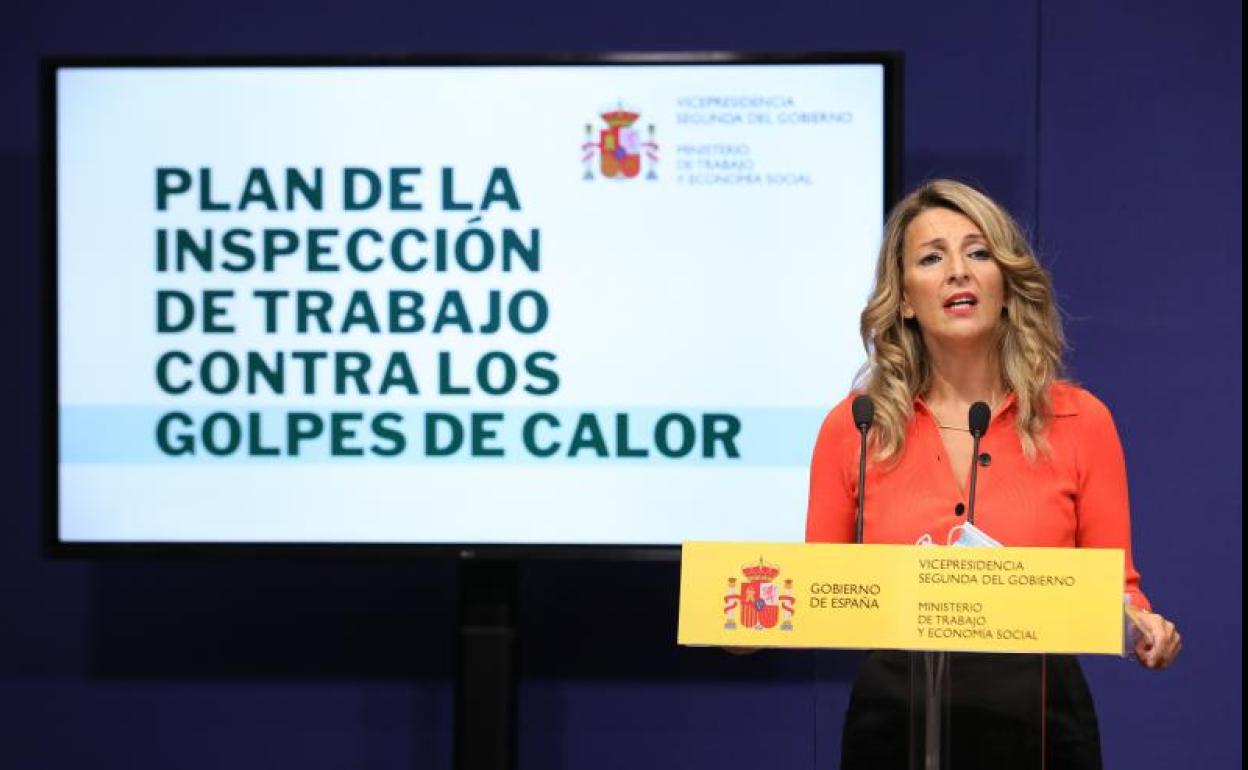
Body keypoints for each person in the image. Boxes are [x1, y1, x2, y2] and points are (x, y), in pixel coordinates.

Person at [805, 180, 1181, 768]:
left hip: (1038, 720)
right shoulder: (856, 426)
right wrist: (749, 626)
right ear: (903, 300)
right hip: (896, 720)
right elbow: (816, 589)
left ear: (1005, 284)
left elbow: (1117, 587)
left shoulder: (1080, 421)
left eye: (978, 252)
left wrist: (1143, 626)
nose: (958, 271)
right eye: (932, 258)